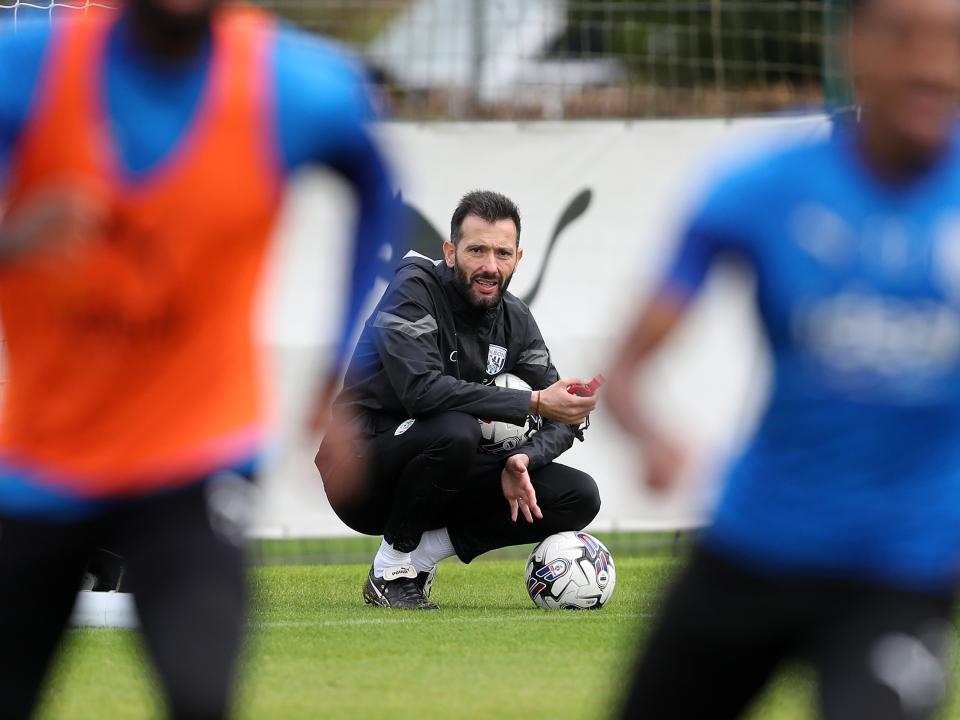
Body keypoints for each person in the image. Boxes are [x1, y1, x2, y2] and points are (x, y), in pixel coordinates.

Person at [0, 0, 395, 716]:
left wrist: (339, 373)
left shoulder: (289, 84)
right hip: (41, 467)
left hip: (196, 459)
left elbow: (374, 180)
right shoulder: (29, 65)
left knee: (200, 695)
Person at [606, 0, 960, 718]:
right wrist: (653, 437)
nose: (931, 65)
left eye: (953, 40)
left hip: (902, 573)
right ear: (851, 44)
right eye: (902, 37)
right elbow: (628, 370)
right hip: (752, 550)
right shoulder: (761, 190)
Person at [316, 190, 601, 610]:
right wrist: (534, 404)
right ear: (450, 252)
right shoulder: (412, 290)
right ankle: (388, 569)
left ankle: (420, 560)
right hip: (359, 473)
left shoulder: (515, 318)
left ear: (518, 259)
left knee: (578, 495)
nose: (490, 266)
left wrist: (525, 457)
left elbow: (564, 415)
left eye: (503, 253)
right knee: (456, 429)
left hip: (441, 475)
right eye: (477, 250)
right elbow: (423, 392)